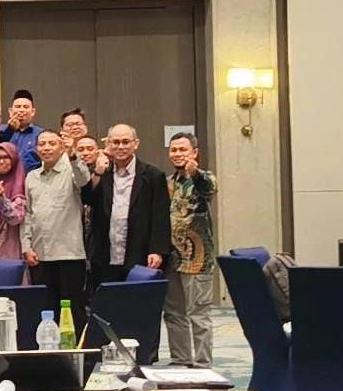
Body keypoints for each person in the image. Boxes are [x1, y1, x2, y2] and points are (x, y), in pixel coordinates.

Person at [85, 124, 171, 290]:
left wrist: (157, 250)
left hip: (140, 253)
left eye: (126, 142)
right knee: (107, 302)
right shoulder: (101, 173)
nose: (120, 147)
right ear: (108, 144)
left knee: (137, 301)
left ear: (136, 144)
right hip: (106, 255)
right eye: (115, 142)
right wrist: (97, 173)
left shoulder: (153, 175)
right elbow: (88, 199)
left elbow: (160, 216)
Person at [21, 131, 92, 322]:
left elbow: (85, 180)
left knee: (73, 310)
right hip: (40, 255)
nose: (46, 148)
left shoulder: (72, 171)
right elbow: (28, 213)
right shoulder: (31, 177)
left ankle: (77, 343)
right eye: (42, 144)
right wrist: (26, 246)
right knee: (45, 310)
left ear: (61, 148)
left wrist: (73, 155)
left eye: (52, 143)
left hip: (69, 255)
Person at [165, 132, 219, 368]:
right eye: (174, 150)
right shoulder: (168, 182)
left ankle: (203, 364)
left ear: (195, 152)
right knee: (173, 312)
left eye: (183, 150)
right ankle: (181, 359)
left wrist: (195, 172)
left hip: (197, 258)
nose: (178, 154)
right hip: (172, 258)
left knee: (198, 313)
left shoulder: (204, 178)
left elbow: (208, 188)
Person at [0, 141, 29, 263]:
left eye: (6, 157)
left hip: (13, 242)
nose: (1, 161)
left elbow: (16, 218)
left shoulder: (20, 186)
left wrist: (1, 198)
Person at [0, 90, 43, 171]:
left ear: (33, 112)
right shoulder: (0, 130)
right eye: (18, 107)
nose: (21, 110)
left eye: (25, 107)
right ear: (10, 111)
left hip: (31, 177)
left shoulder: (40, 134)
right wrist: (9, 130)